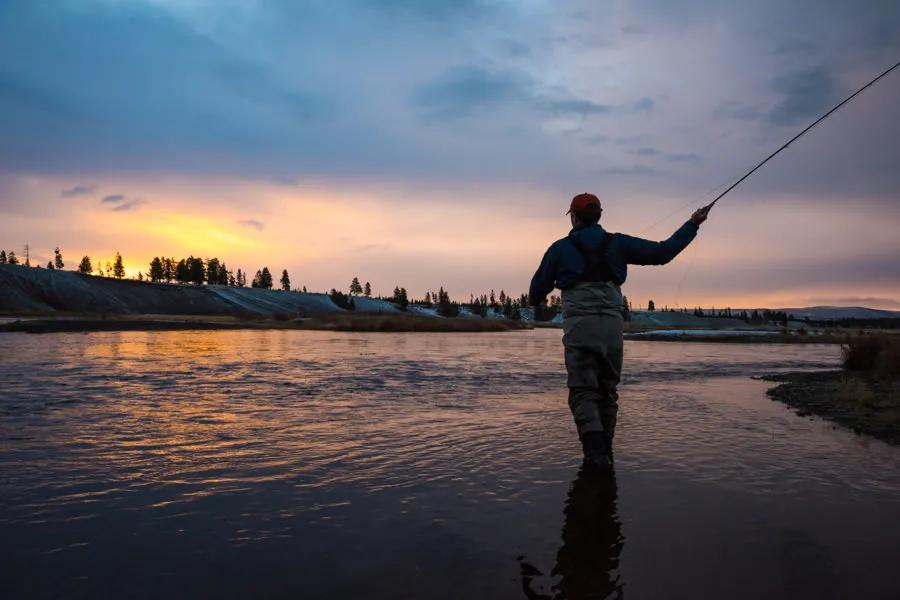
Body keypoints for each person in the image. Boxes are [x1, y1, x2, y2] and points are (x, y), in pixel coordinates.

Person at [529, 193, 710, 471]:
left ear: (574, 218)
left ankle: (595, 455)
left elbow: (535, 293)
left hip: (580, 325)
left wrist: (549, 286)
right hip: (612, 326)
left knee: (583, 391)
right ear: (599, 216)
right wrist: (693, 223)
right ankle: (607, 452)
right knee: (607, 390)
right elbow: (663, 253)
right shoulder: (618, 243)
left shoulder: (559, 248)